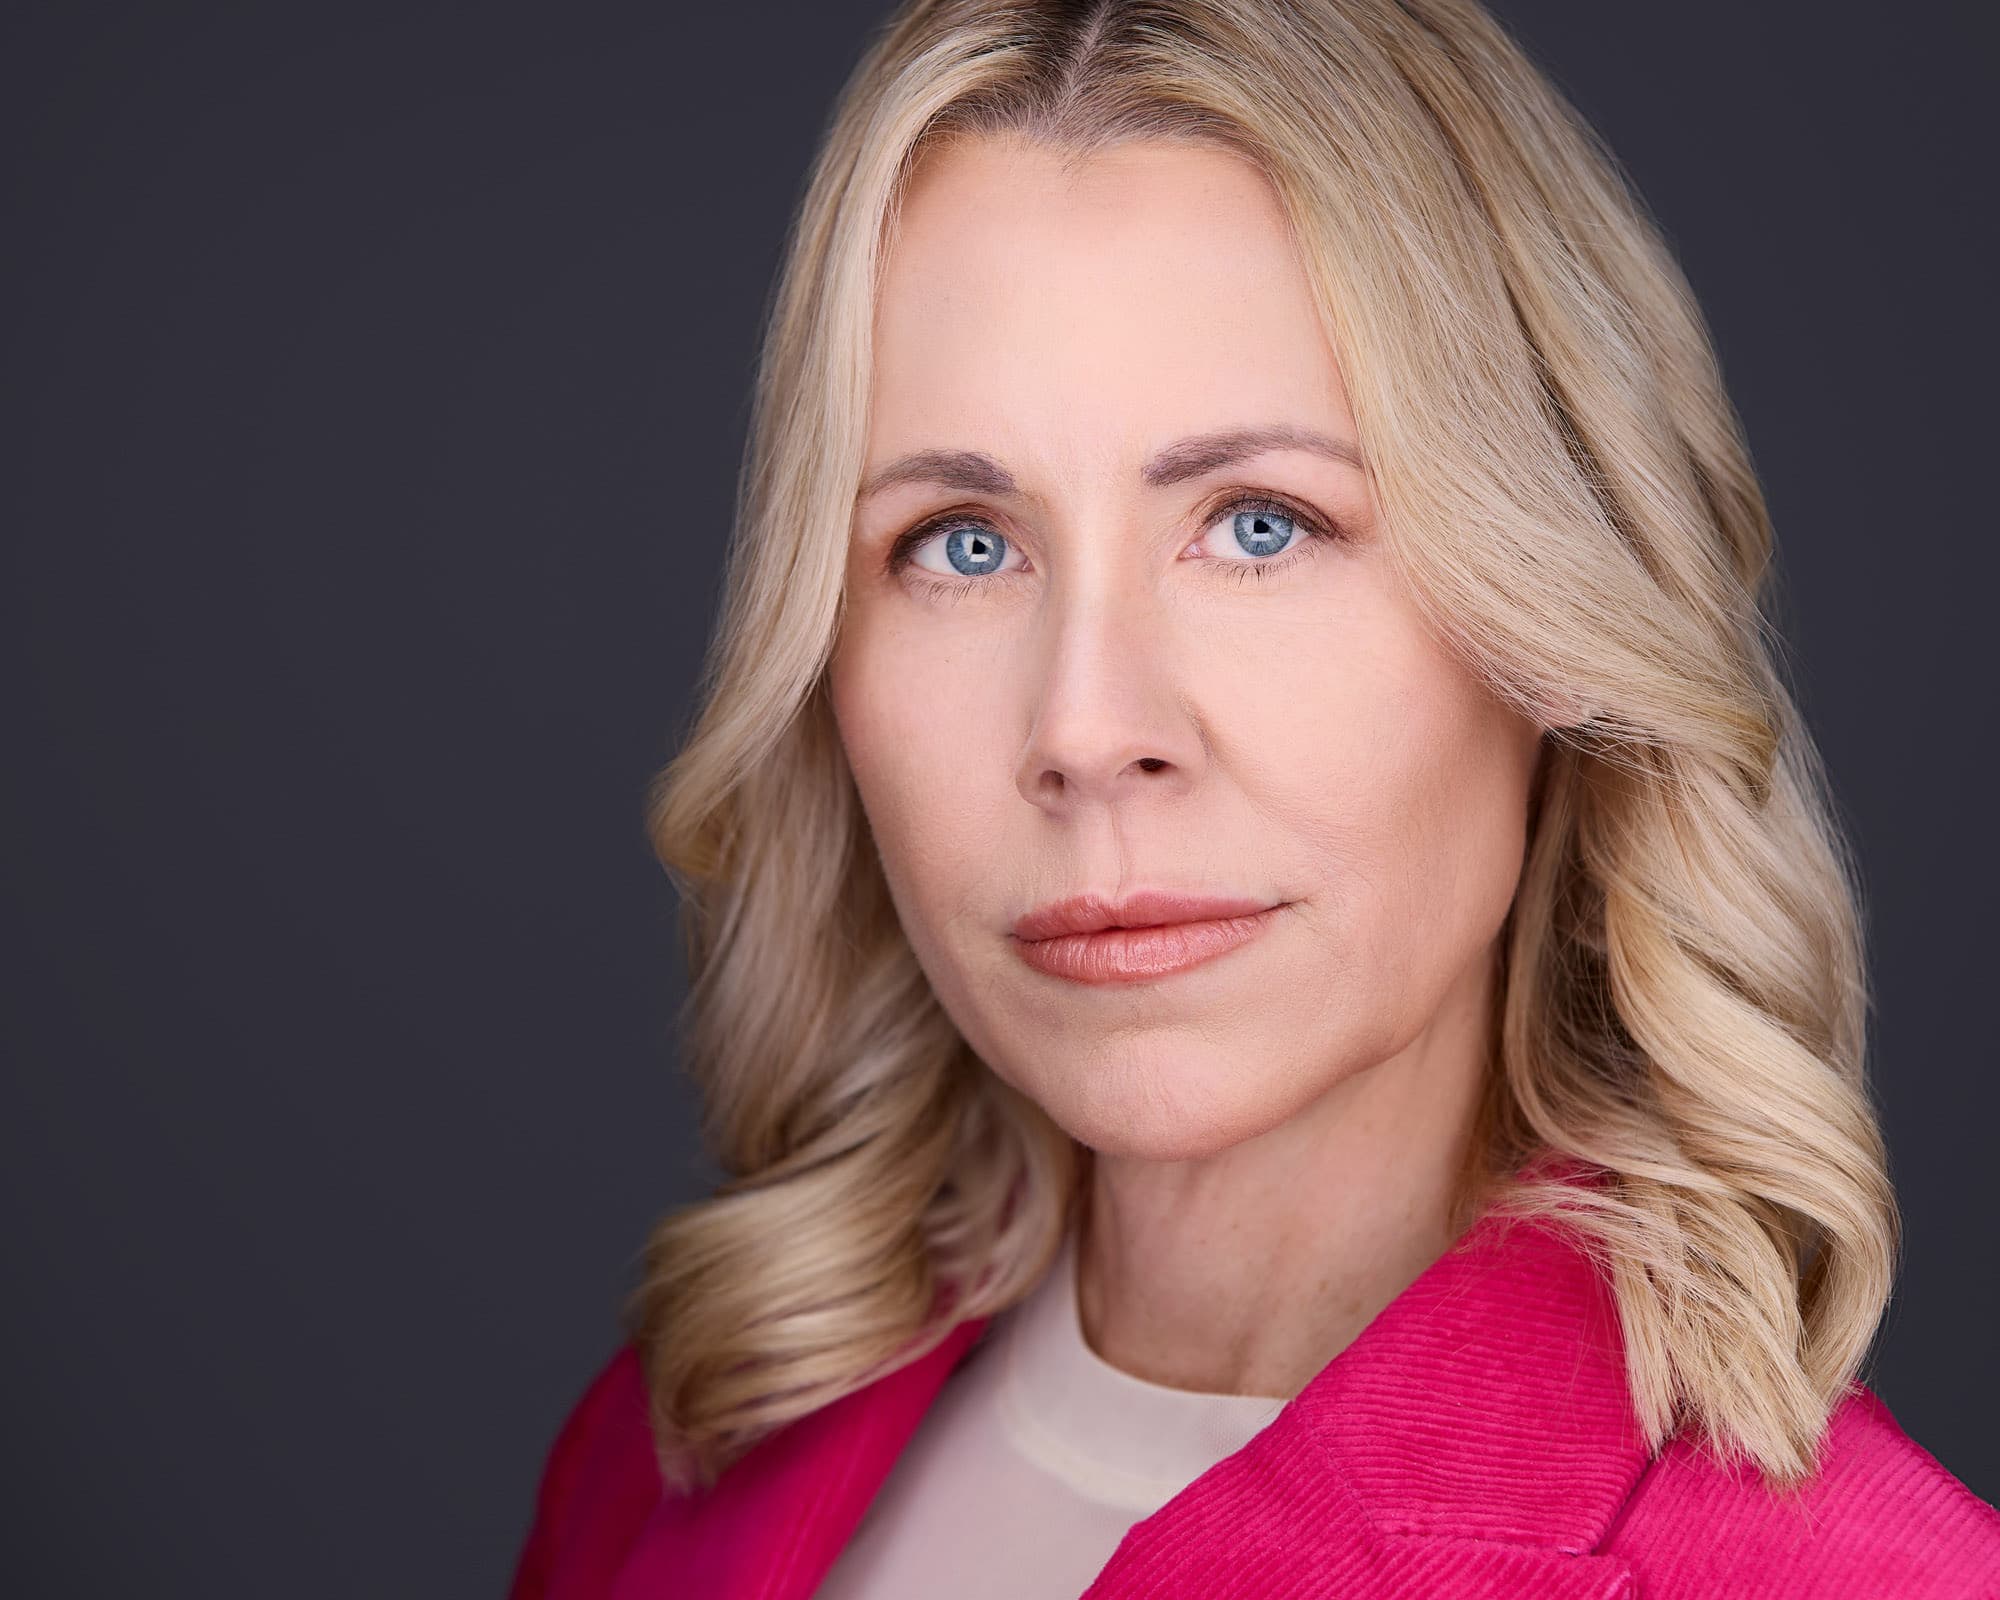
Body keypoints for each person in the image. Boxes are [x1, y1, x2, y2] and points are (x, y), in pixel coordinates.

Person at [506, 1, 2000, 1595]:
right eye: (960, 542)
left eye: (1262, 525)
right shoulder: (675, 1460)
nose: (1086, 729)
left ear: (1557, 614)